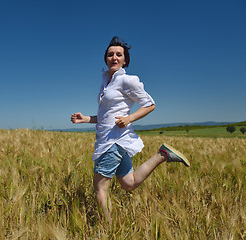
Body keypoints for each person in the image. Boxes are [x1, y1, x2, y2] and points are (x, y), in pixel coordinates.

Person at [70, 36, 190, 226]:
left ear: (125, 60)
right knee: (129, 183)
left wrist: (129, 118)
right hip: (112, 139)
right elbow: (107, 116)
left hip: (112, 142)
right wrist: (85, 119)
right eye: (110, 55)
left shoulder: (127, 80)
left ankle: (107, 230)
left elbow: (150, 104)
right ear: (105, 58)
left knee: (100, 188)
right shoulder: (107, 82)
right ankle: (162, 155)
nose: (114, 58)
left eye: (119, 54)